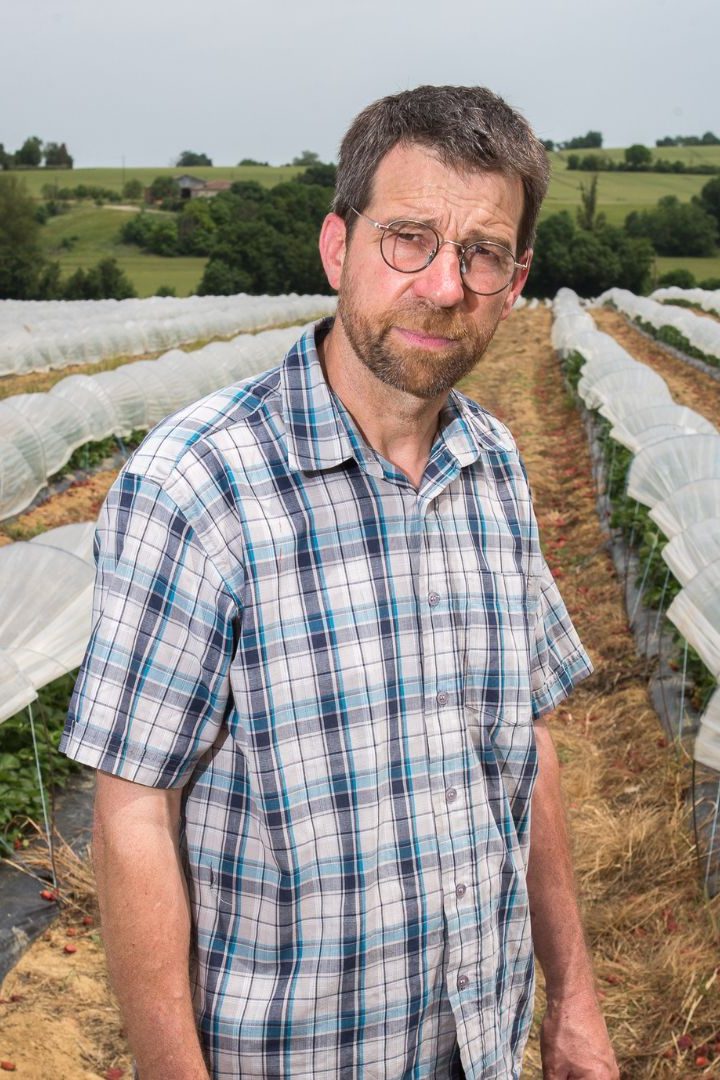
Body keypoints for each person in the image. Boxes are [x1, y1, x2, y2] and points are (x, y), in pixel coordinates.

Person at [61, 85, 619, 1080]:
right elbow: (133, 806)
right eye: (409, 238)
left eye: (484, 253)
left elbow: (525, 750)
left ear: (517, 278)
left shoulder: (495, 469)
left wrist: (573, 1006)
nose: (446, 285)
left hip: (480, 1044)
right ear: (338, 247)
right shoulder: (197, 489)